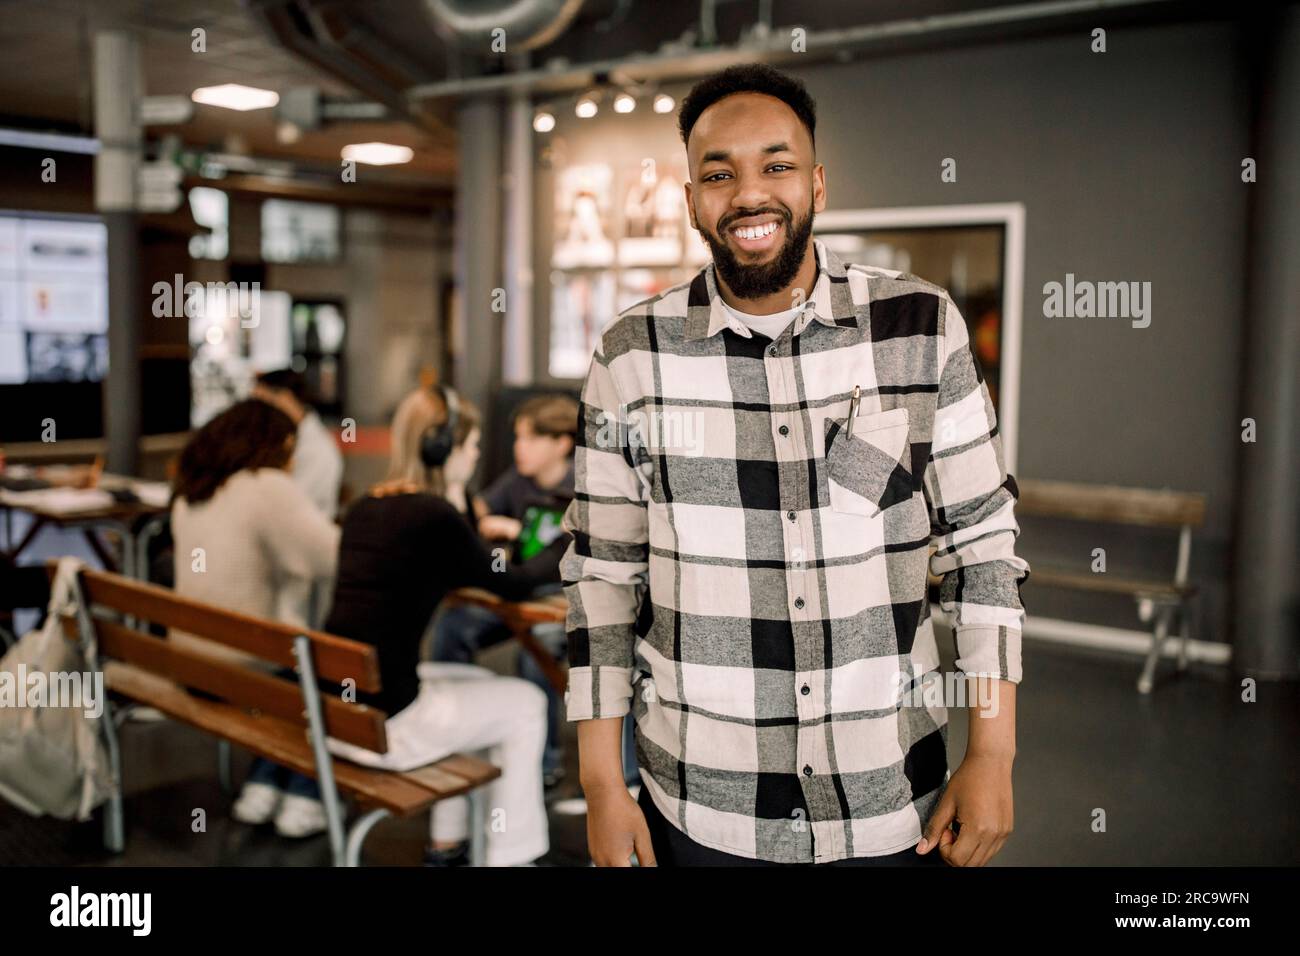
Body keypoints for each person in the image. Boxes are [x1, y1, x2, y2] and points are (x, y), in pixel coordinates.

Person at [562, 64, 1031, 867]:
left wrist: (992, 754)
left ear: (816, 183)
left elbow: (983, 553)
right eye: (719, 173)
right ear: (691, 201)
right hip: (702, 808)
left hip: (890, 803)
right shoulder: (630, 355)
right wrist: (604, 785)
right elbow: (602, 580)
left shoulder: (919, 327)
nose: (750, 194)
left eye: (776, 165)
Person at [321, 385, 564, 867]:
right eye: (471, 448)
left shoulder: (366, 507)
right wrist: (565, 541)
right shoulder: (434, 516)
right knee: (527, 703)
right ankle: (511, 857)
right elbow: (511, 583)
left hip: (339, 713)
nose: (475, 460)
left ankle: (448, 845)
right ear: (443, 448)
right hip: (387, 728)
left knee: (480, 683)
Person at [431, 393, 638, 789]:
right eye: (516, 439)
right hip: (523, 594)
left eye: (528, 439)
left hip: (574, 601)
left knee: (537, 650)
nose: (517, 448)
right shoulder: (517, 479)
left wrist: (515, 532)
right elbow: (482, 512)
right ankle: (453, 737)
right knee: (455, 627)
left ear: (560, 443)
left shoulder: (587, 482)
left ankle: (544, 761)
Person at [170, 399, 341, 838]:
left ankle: (263, 784)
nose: (294, 458)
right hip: (243, 666)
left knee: (294, 658)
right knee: (334, 670)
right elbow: (330, 557)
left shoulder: (194, 491)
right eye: (290, 446)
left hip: (189, 661)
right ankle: (305, 795)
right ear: (272, 444)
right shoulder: (264, 486)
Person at [252, 368, 343, 520]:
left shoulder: (316, 449)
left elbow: (286, 509)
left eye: (261, 404)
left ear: (285, 398)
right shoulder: (286, 437)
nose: (256, 415)